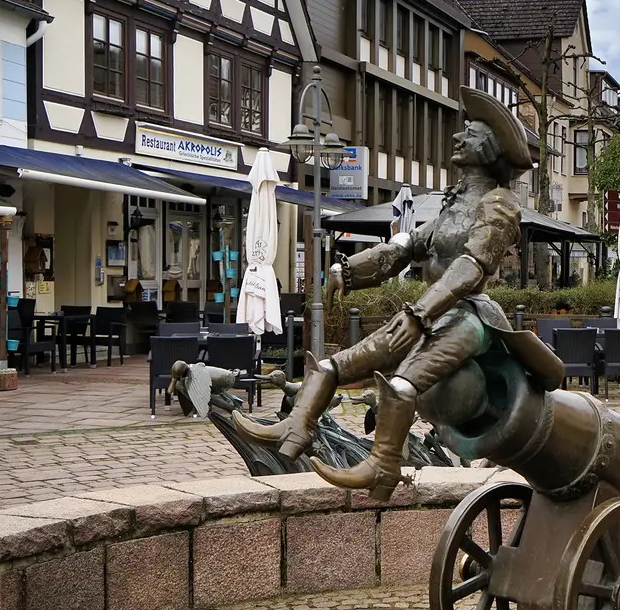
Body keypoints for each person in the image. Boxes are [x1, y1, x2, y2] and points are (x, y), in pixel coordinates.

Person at [230, 87, 558, 501]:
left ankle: (383, 467)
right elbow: (403, 249)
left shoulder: (500, 205)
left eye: (469, 132)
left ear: (489, 148)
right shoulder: (451, 206)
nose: (458, 137)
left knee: (403, 383)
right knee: (335, 365)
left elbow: (470, 267)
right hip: (431, 314)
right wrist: (347, 270)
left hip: (470, 317)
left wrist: (419, 313)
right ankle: (296, 428)